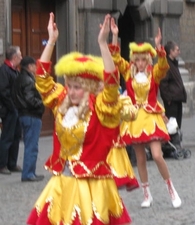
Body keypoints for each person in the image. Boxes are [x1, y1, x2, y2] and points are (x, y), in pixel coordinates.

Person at [27, 13, 137, 225]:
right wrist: (51, 41)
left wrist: (103, 44)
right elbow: (42, 80)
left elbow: (112, 84)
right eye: (69, 86)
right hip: (63, 183)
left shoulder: (101, 109)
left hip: (92, 186)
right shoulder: (61, 103)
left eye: (77, 87)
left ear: (88, 89)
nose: (71, 91)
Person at [109, 18, 182, 208]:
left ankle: (171, 189)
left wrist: (159, 48)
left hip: (150, 116)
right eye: (137, 59)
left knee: (157, 155)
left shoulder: (154, 72)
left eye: (143, 59)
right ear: (133, 59)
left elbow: (165, 66)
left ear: (148, 59)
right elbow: (115, 58)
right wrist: (115, 35)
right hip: (134, 118)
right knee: (140, 158)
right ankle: (146, 193)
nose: (140, 63)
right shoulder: (128, 72)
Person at [12, 56, 45, 182]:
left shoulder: (19, 78)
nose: (36, 68)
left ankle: (29, 172)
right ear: (30, 66)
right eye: (35, 65)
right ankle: (29, 173)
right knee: (31, 145)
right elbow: (30, 99)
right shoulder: (27, 80)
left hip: (24, 114)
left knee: (29, 144)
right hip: (31, 115)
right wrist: (41, 103)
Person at [0, 46, 23, 175]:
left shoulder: (15, 70)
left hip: (16, 108)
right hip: (9, 109)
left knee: (16, 136)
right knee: (7, 137)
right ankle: (2, 164)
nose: (21, 58)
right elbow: (4, 92)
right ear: (14, 57)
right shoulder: (4, 70)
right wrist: (13, 107)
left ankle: (12, 163)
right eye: (19, 56)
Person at [159, 41, 187, 129]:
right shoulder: (167, 65)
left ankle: (176, 139)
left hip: (177, 98)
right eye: (177, 50)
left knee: (177, 122)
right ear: (171, 51)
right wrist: (168, 99)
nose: (179, 52)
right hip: (172, 100)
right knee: (172, 123)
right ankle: (171, 140)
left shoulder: (174, 64)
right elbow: (163, 83)